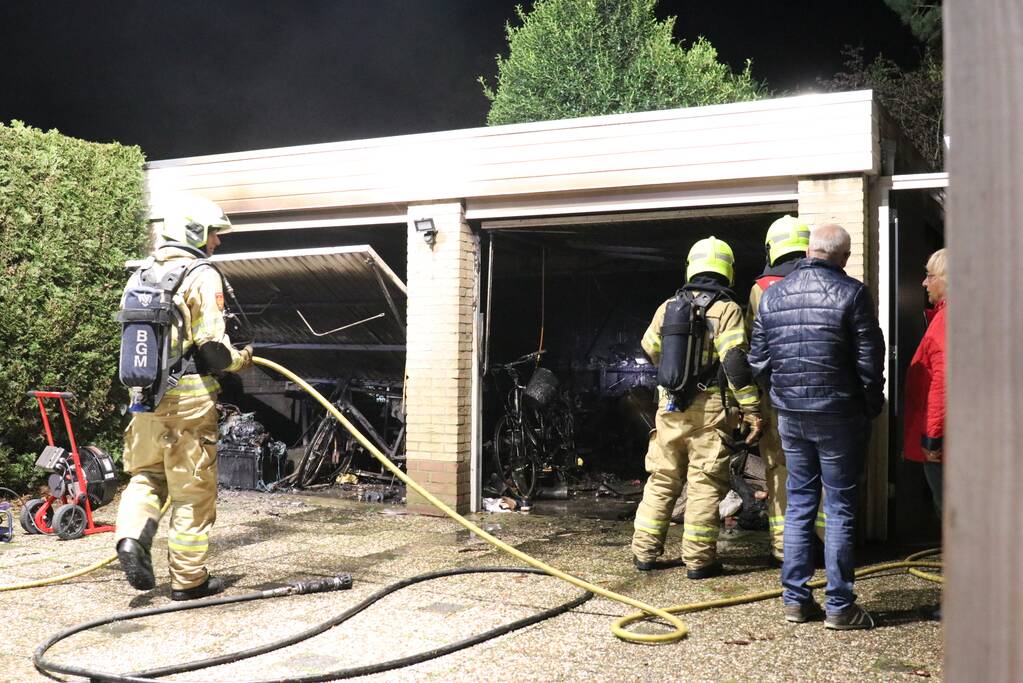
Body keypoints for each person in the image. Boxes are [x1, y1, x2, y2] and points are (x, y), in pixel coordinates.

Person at [114, 195, 252, 601]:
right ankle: (189, 581)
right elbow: (211, 348)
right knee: (192, 492)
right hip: (189, 401)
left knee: (147, 476)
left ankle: (129, 538)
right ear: (196, 232)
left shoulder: (140, 273)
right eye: (213, 234)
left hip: (143, 399)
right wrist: (241, 360)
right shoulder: (201, 274)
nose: (217, 243)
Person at [749, 224, 885, 629]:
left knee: (799, 503)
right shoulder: (853, 292)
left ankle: (795, 601)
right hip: (839, 414)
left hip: (791, 415)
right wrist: (870, 404)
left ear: (810, 252)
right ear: (843, 257)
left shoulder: (773, 295)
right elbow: (869, 359)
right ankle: (840, 607)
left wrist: (782, 395)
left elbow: (758, 361)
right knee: (840, 507)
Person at [632, 237, 763, 580]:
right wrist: (751, 406)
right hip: (710, 409)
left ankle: (644, 552)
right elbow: (735, 361)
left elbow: (649, 347)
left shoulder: (668, 305)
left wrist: (675, 377)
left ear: (692, 266)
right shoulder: (727, 309)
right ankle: (699, 561)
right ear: (727, 270)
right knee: (704, 484)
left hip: (670, 406)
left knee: (662, 480)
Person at [746, 215, 813, 565]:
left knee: (781, 469)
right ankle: (824, 546)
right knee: (826, 472)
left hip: (778, 396)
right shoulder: (833, 280)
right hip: (825, 397)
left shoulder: (763, 288)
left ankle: (786, 549)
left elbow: (753, 348)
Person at [903, 248, 946, 517]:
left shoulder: (948, 321)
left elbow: (944, 384)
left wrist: (933, 439)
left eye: (930, 276)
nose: (924, 283)